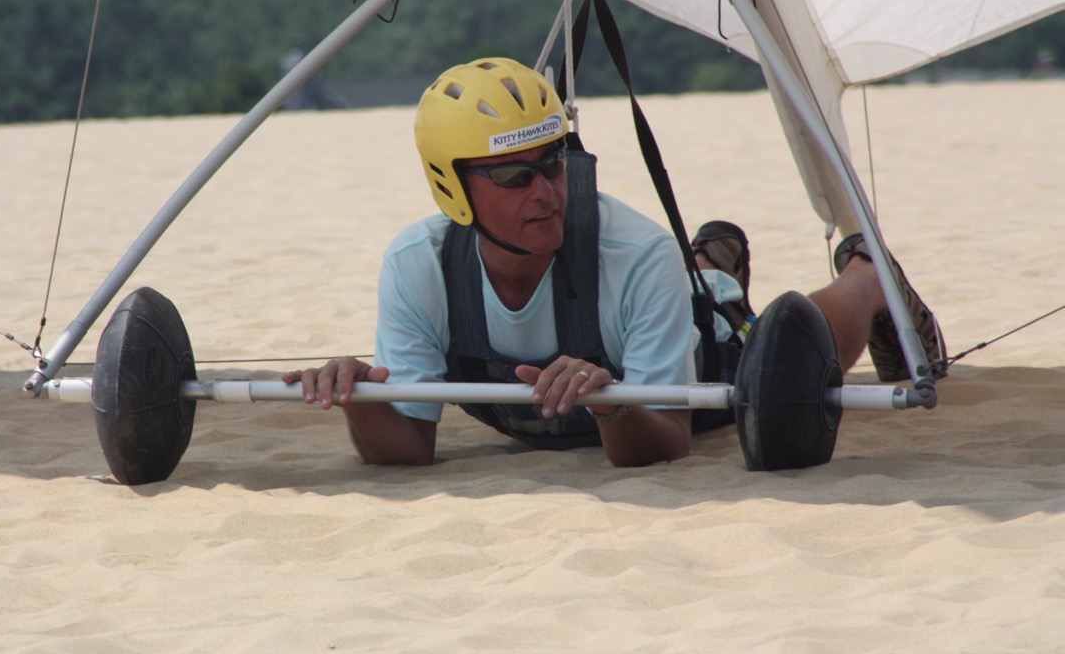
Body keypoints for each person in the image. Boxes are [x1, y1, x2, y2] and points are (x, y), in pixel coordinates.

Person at [283, 57, 945, 467]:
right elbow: (407, 448)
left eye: (553, 165)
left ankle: (865, 273)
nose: (546, 192)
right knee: (692, 283)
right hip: (647, 294)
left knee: (785, 341)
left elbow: (670, 443)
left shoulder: (635, 254)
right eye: (515, 176)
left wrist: (611, 404)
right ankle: (711, 263)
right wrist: (355, 397)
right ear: (451, 187)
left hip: (700, 357)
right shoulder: (417, 266)